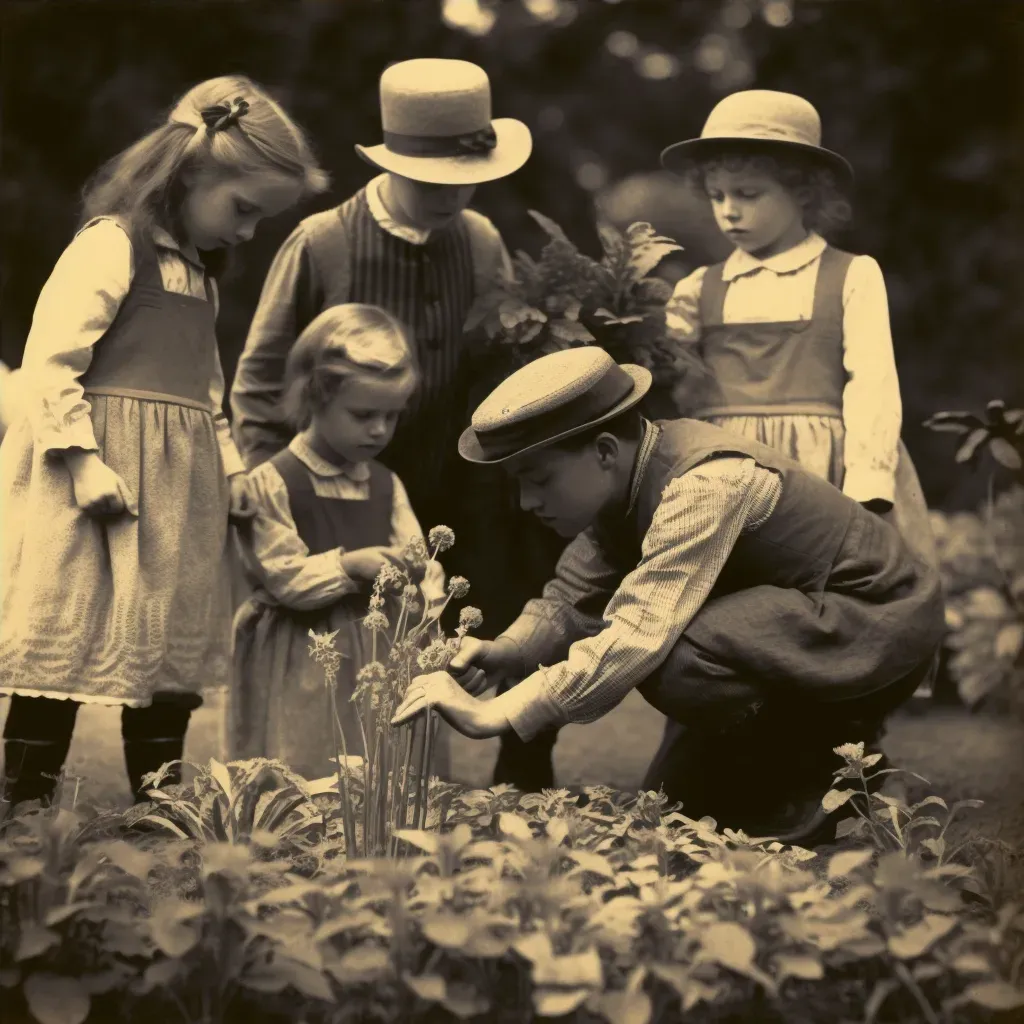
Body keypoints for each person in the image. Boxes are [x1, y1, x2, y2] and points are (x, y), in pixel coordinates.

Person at [391, 348, 945, 845]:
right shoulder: (620, 491)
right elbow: (569, 600)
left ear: (605, 451)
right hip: (782, 627)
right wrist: (503, 650)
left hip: (872, 620)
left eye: (537, 479)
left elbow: (637, 634)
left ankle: (825, 761)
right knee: (675, 801)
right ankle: (777, 764)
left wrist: (504, 712)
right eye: (516, 482)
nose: (525, 502)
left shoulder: (705, 484)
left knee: (675, 662)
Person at [0, 75, 328, 810]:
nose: (246, 233)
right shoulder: (112, 248)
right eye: (243, 210)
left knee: (164, 654)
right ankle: (24, 807)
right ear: (189, 173)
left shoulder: (199, 282)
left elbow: (206, 397)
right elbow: (50, 360)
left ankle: (160, 807)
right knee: (69, 634)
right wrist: (81, 460)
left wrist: (236, 469)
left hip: (175, 501)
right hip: (92, 486)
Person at [229, 60, 547, 644]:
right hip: (338, 501)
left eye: (467, 176)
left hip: (454, 499)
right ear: (395, 165)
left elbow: (498, 366)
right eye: (432, 180)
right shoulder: (324, 242)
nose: (452, 194)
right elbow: (258, 382)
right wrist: (272, 493)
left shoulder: (480, 241)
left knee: (443, 662)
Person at [659, 89, 936, 565]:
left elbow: (872, 381)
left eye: (748, 194)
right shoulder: (698, 289)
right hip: (722, 473)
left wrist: (867, 481)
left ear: (804, 191)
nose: (729, 211)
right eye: (716, 195)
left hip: (820, 470)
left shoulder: (849, 274)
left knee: (835, 589)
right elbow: (665, 375)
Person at [230, 303, 450, 780]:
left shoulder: (387, 484)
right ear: (315, 398)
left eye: (391, 417)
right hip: (303, 652)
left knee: (385, 757)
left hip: (379, 646)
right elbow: (285, 578)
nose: (379, 430)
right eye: (363, 414)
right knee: (307, 756)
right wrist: (350, 566)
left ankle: (380, 833)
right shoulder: (272, 481)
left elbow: (417, 556)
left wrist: (427, 582)